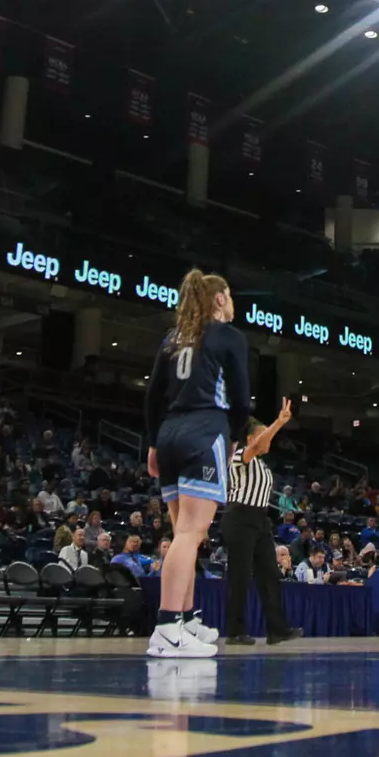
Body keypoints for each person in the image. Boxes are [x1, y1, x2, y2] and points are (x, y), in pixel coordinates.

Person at [142, 269, 248, 658]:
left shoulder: (173, 338)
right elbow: (241, 400)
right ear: (219, 299)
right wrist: (234, 439)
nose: (233, 301)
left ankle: (184, 619)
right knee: (190, 533)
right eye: (231, 294)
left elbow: (152, 396)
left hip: (169, 432)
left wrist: (153, 444)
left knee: (185, 533)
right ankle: (168, 627)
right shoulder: (229, 337)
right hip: (205, 430)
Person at [222, 400, 299, 647]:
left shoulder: (263, 466)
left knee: (270, 575)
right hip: (240, 518)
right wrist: (279, 422)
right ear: (250, 437)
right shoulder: (239, 457)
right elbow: (257, 445)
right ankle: (235, 631)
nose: (268, 439)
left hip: (260, 520)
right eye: (262, 433)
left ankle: (277, 630)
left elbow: (261, 444)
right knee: (240, 576)